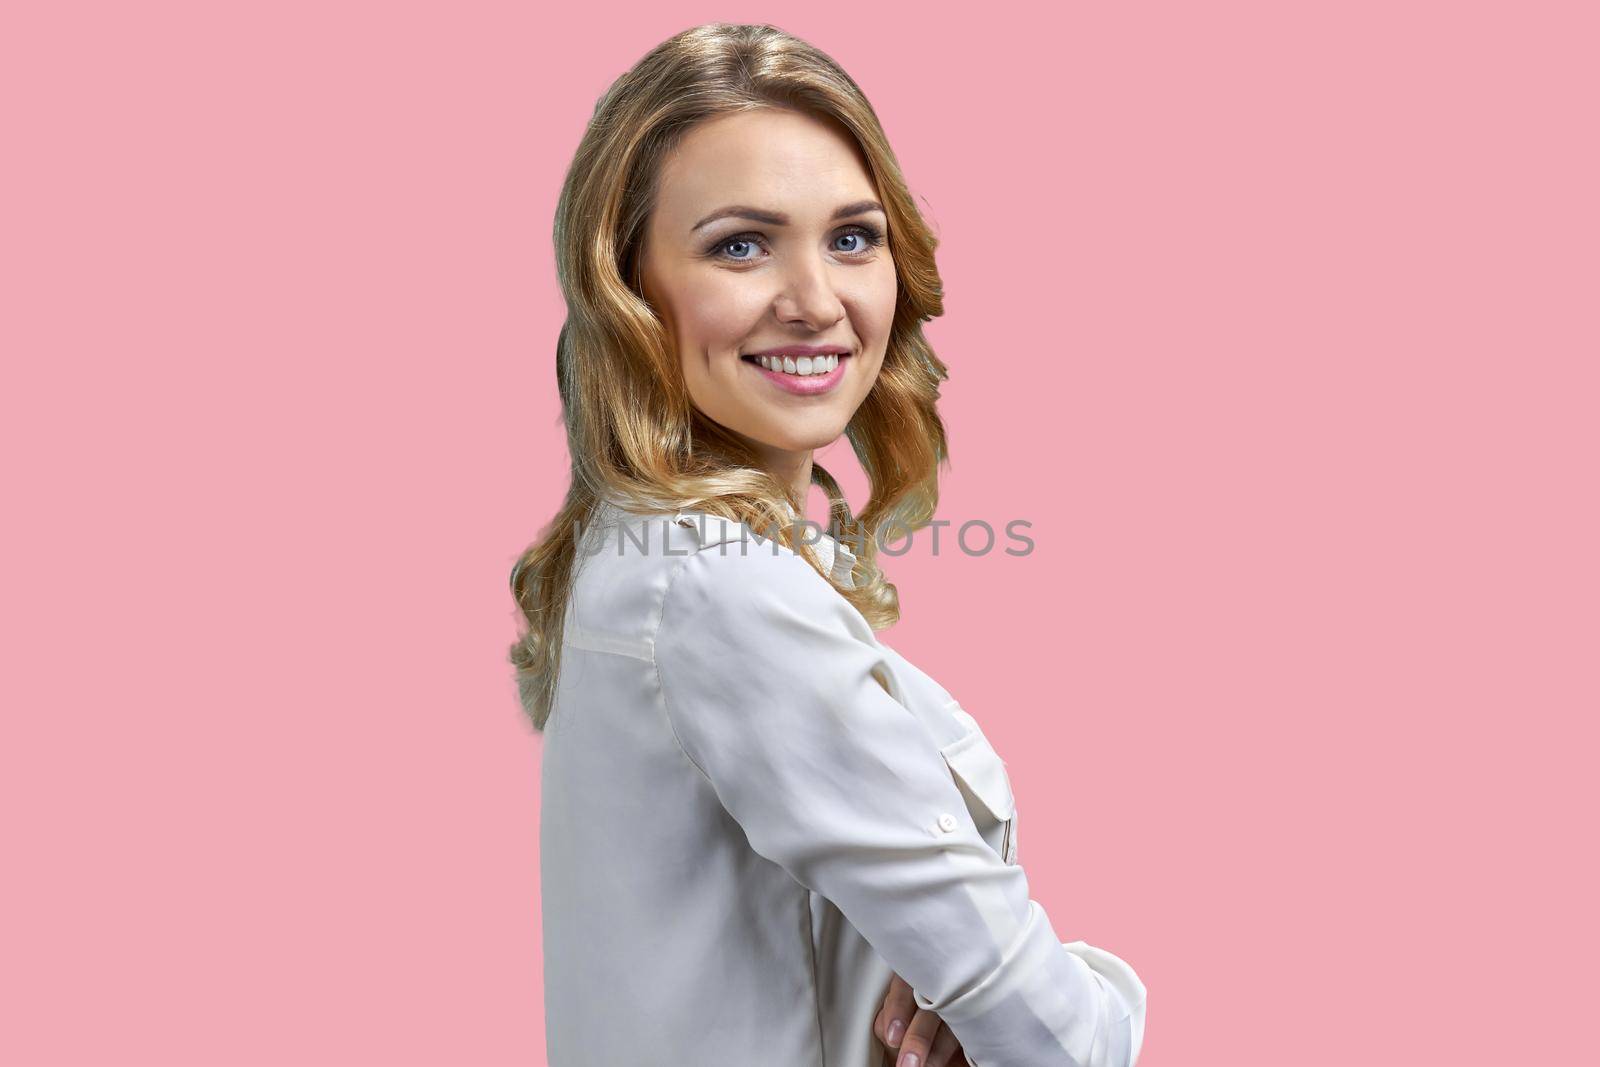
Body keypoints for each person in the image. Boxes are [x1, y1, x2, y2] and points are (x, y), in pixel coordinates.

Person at [508, 22, 1147, 1067]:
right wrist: (1088, 981)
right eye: (740, 244)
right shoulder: (722, 590)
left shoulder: (645, 555)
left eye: (852, 237)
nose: (816, 302)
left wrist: (943, 973)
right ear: (627, 289)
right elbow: (1061, 1045)